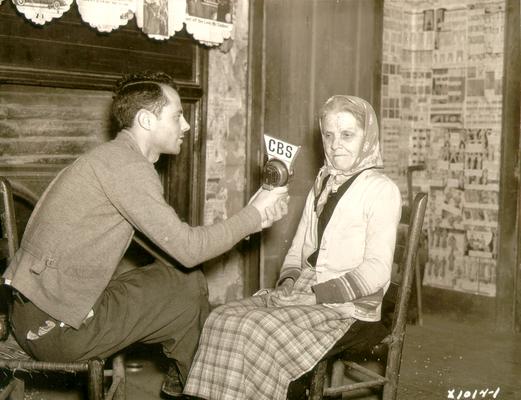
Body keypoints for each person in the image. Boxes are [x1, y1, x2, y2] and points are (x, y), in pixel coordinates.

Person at [2, 71, 289, 398]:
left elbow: (172, 248)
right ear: (146, 120)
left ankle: (188, 381)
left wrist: (252, 212)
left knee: (182, 280)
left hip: (32, 318)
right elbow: (188, 250)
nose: (186, 126)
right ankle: (197, 387)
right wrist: (254, 217)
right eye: (177, 115)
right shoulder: (128, 167)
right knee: (188, 286)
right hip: (56, 331)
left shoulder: (111, 159)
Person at [183, 95, 402, 400]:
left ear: (368, 137)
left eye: (348, 135)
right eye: (328, 135)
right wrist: (288, 282)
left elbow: (376, 271)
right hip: (307, 290)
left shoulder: (381, 190)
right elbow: (299, 247)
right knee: (221, 318)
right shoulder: (324, 181)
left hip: (349, 307)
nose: (336, 144)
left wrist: (314, 297)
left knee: (254, 331)